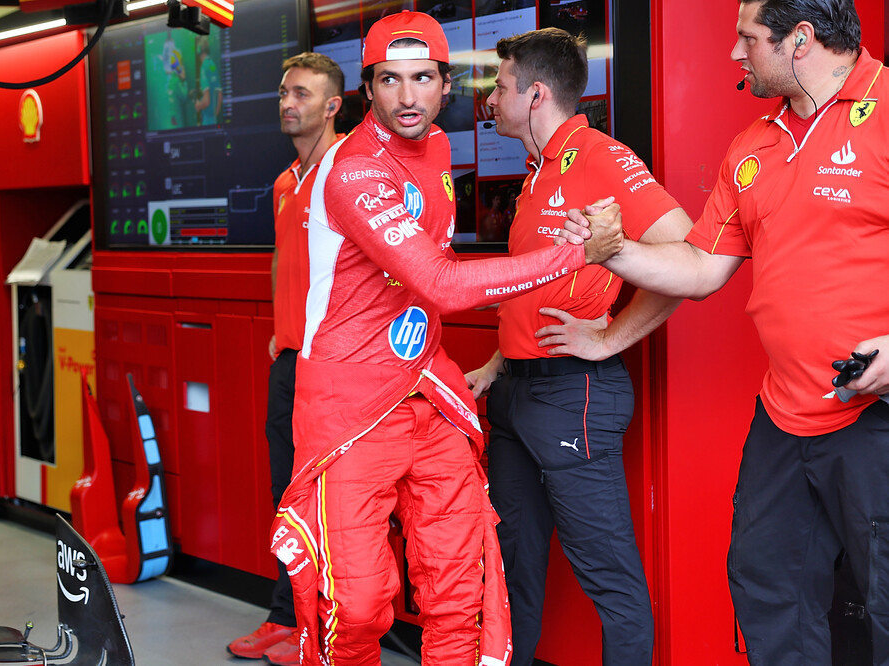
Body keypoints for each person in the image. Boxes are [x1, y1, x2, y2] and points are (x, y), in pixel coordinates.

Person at [268, 11, 623, 665]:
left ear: (445, 83)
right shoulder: (353, 172)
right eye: (391, 81)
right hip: (349, 408)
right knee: (359, 605)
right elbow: (441, 283)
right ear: (367, 89)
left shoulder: (434, 148)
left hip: (425, 391)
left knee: (461, 592)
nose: (409, 98)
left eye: (423, 78)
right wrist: (579, 253)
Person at [562, 0, 889, 662]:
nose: (736, 54)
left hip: (874, 413)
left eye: (748, 38)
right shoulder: (754, 146)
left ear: (801, 39)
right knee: (769, 585)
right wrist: (615, 250)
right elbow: (702, 266)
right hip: (785, 414)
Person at [465, 27, 693, 665]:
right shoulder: (534, 172)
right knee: (513, 570)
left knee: (609, 576)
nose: (490, 96)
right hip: (515, 394)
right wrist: (496, 361)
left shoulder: (600, 157)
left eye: (501, 84)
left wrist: (611, 337)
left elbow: (690, 254)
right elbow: (530, 290)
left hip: (574, 393)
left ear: (535, 93)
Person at [226, 52, 345, 666]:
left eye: (300, 94)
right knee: (286, 493)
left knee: (331, 500)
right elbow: (283, 260)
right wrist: (281, 330)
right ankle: (287, 616)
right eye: (282, 93)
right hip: (292, 358)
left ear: (332, 106)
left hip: (338, 365)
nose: (286, 103)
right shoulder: (284, 182)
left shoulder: (349, 170)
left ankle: (326, 627)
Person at [194, 35, 222, 126]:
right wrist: (214, 115)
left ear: (199, 51)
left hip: (207, 120)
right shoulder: (212, 65)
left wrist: (198, 105)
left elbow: (206, 102)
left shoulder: (204, 68)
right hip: (214, 119)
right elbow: (220, 95)